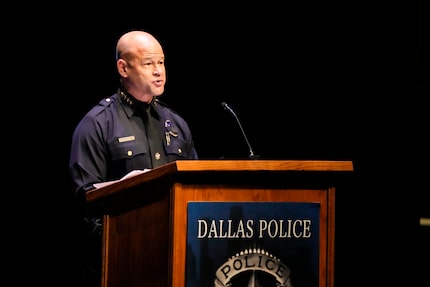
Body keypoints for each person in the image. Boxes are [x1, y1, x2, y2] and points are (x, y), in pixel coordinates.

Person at [68, 30, 198, 286]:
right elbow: (83, 198)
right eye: (149, 63)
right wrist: (124, 189)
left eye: (161, 62)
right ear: (123, 68)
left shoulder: (177, 124)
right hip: (123, 258)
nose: (158, 71)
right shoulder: (97, 123)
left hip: (179, 256)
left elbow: (195, 189)